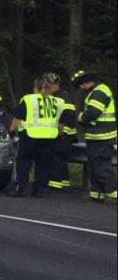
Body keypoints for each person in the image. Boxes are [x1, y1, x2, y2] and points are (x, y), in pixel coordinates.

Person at [7, 75, 61, 197]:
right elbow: (59, 122)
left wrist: (11, 130)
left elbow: (18, 117)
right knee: (44, 164)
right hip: (50, 137)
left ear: (36, 87)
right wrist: (60, 134)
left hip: (30, 136)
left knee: (24, 162)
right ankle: (40, 190)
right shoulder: (57, 101)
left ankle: (20, 188)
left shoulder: (29, 99)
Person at [71, 70, 116, 202]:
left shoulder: (99, 92)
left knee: (102, 166)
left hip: (102, 136)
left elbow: (92, 114)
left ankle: (112, 193)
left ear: (85, 82)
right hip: (96, 136)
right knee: (93, 165)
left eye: (81, 84)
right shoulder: (95, 91)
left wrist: (79, 117)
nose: (81, 88)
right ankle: (97, 193)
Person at [47, 73, 78, 191]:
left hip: (64, 134)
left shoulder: (62, 96)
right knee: (61, 160)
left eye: (49, 84)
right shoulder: (56, 95)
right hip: (63, 134)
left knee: (56, 158)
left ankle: (54, 184)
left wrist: (62, 128)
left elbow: (69, 114)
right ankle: (64, 182)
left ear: (56, 84)